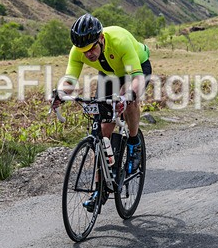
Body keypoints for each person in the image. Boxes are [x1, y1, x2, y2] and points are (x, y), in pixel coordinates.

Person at [52, 13, 151, 210]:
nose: (88, 54)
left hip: (135, 69)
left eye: (91, 48)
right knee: (102, 130)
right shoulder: (78, 51)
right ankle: (99, 189)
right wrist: (60, 93)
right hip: (109, 74)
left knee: (129, 100)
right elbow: (70, 79)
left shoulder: (120, 41)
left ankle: (133, 143)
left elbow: (137, 77)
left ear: (102, 39)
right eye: (83, 50)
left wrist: (128, 95)